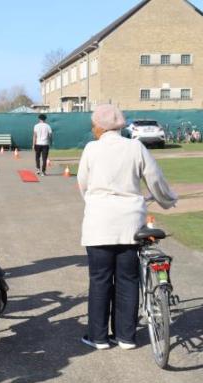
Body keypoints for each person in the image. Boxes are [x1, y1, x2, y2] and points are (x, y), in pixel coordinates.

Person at [76, 104, 178, 350]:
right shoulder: (135, 147)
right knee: (128, 279)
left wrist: (94, 202)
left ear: (100, 127)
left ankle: (98, 337)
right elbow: (154, 178)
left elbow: (83, 183)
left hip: (99, 222)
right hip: (130, 221)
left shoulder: (91, 149)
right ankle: (126, 336)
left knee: (100, 280)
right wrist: (167, 200)